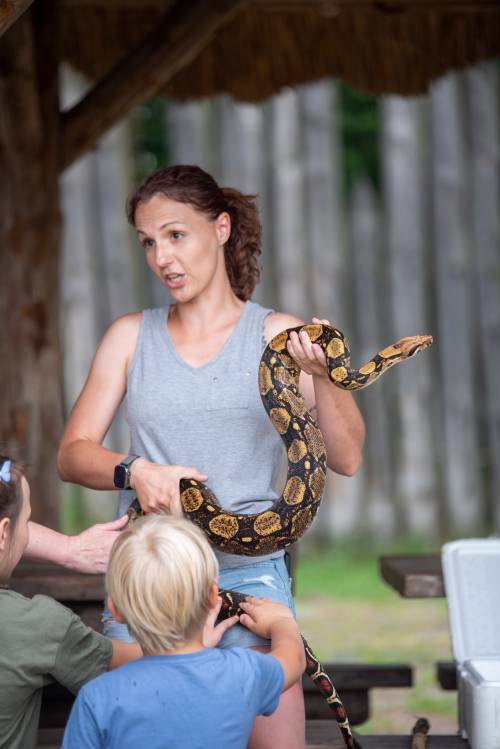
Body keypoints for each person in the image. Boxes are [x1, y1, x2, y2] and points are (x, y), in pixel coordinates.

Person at [57, 164, 365, 749]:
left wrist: (325, 381)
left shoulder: (278, 337)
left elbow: (346, 457)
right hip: (149, 579)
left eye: (176, 235)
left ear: (221, 228)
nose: (162, 258)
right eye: (149, 242)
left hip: (249, 576)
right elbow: (71, 455)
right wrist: (134, 469)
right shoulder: (129, 336)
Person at [61, 514, 304, 749]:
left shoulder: (97, 697)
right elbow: (294, 659)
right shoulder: (240, 674)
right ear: (212, 596)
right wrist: (282, 621)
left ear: (116, 610)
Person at [0, 455, 144, 749]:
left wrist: (69, 548)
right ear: (4, 533)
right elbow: (138, 664)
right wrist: (196, 638)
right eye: (27, 521)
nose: (27, 535)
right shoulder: (36, 623)